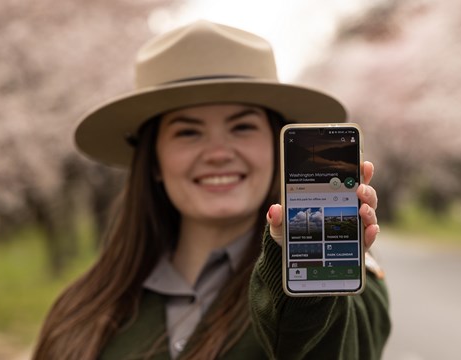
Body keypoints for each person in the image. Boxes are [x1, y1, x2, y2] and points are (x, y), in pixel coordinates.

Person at [33, 20, 391, 360]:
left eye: (242, 128)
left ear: (277, 146)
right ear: (154, 160)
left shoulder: (344, 288)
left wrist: (304, 274)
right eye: (188, 132)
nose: (219, 154)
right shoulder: (81, 307)